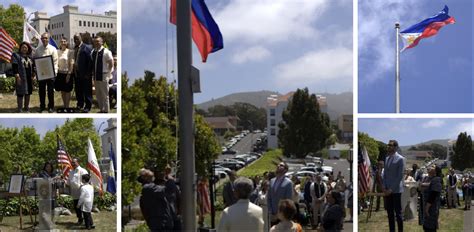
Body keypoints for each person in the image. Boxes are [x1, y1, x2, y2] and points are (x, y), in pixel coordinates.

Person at [382, 140, 406, 232]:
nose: (388, 146)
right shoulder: (387, 158)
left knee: (398, 214)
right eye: (388, 145)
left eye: (390, 145)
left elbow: (399, 176)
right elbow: (385, 175)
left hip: (395, 191)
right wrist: (384, 187)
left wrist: (391, 189)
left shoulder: (400, 159)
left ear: (395, 147)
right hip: (387, 190)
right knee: (390, 214)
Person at [34, 32, 58, 113]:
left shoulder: (53, 49)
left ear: (48, 39)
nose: (44, 39)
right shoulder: (38, 50)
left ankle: (51, 107)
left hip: (51, 74)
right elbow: (36, 61)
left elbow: (55, 62)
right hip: (42, 74)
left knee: (50, 91)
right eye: (43, 38)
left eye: (46, 38)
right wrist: (37, 72)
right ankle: (42, 106)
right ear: (41, 39)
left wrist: (54, 73)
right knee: (41, 91)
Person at [91, 36, 113, 113]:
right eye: (95, 41)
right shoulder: (93, 51)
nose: (96, 43)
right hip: (96, 75)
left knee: (105, 94)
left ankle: (106, 110)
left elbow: (111, 63)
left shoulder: (106, 51)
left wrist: (109, 74)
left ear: (102, 42)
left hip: (104, 74)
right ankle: (101, 109)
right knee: (98, 93)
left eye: (98, 41)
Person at [267, 162, 293, 226]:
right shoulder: (272, 181)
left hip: (283, 215)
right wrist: (270, 212)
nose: (278, 166)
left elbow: (288, 200)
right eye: (278, 165)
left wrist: (278, 214)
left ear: (285, 170)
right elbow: (269, 198)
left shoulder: (288, 183)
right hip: (272, 215)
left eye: (281, 165)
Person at [11, 42, 34, 112]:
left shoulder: (30, 57)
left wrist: (34, 75)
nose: (24, 49)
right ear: (20, 48)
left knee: (28, 93)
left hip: (29, 78)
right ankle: (20, 108)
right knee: (20, 93)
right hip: (21, 77)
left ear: (28, 49)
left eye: (26, 47)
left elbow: (34, 67)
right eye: (23, 47)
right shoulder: (16, 55)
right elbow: (14, 66)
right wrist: (17, 77)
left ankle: (26, 107)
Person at [72, 33, 93, 113]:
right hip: (77, 73)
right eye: (74, 39)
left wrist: (88, 73)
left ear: (81, 38)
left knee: (87, 91)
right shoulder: (75, 48)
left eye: (77, 39)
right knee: (78, 90)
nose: (76, 41)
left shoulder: (86, 48)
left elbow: (90, 62)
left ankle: (88, 106)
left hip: (85, 74)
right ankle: (80, 104)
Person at [420, 165, 442, 232]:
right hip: (425, 204)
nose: (430, 167)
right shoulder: (427, 178)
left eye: (433, 167)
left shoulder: (436, 179)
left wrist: (427, 207)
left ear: (435, 171)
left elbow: (434, 194)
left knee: (430, 227)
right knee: (426, 226)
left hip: (431, 207)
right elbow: (420, 188)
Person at [68, 158, 89, 225]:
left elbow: (87, 180)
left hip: (81, 192)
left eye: (74, 162)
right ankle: (80, 219)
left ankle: (87, 221)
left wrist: (80, 185)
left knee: (83, 208)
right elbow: (68, 182)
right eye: (72, 162)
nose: (73, 164)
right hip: (74, 193)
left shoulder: (83, 170)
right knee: (77, 208)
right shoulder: (71, 172)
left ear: (78, 162)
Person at [55, 37, 74, 108]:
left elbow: (71, 63)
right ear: (60, 43)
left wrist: (69, 74)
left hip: (67, 73)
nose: (63, 43)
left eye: (64, 41)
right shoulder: (57, 51)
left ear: (67, 43)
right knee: (62, 90)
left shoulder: (70, 52)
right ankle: (64, 104)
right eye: (61, 41)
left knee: (67, 90)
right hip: (59, 73)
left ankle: (67, 106)